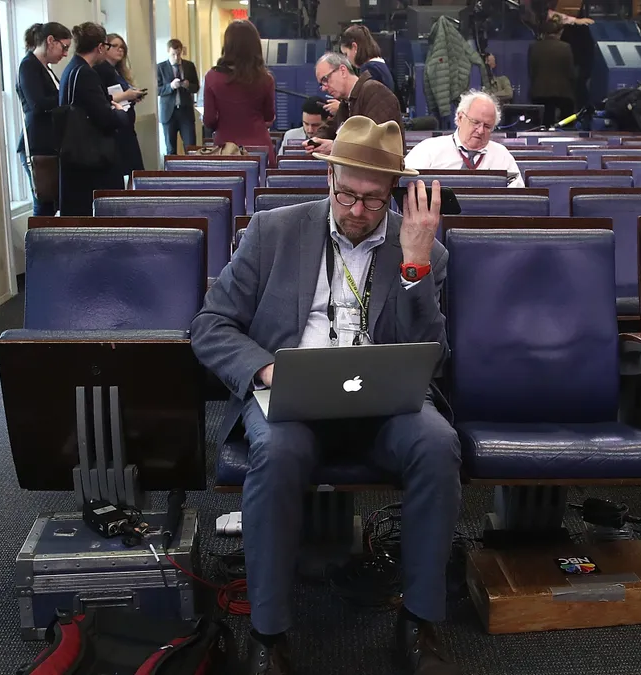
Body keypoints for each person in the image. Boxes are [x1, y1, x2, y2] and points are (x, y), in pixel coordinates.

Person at [190, 115, 462, 675]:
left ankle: (418, 623)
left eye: (372, 200)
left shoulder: (425, 254)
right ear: (329, 178)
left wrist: (412, 266)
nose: (357, 212)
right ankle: (269, 633)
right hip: (291, 396)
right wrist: (267, 371)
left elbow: (433, 357)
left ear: (394, 194)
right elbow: (211, 326)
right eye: (347, 196)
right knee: (279, 451)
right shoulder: (273, 232)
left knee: (437, 444)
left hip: (387, 405)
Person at [57, 22, 129, 216]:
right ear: (99, 47)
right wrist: (120, 112)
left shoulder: (71, 69)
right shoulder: (86, 73)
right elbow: (104, 117)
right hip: (90, 159)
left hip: (75, 155)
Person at [404, 90, 524, 187]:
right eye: (475, 122)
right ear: (460, 118)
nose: (481, 130)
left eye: (487, 126)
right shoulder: (429, 149)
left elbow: (518, 201)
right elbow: (403, 183)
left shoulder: (502, 156)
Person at [203, 20, 277, 166]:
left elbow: (209, 120)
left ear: (227, 45)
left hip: (226, 150)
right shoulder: (265, 79)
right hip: (259, 149)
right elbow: (269, 116)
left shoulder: (212, 77)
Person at [16, 22, 71, 216]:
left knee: (52, 200)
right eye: (64, 47)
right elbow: (37, 104)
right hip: (37, 145)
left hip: (50, 144)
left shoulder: (45, 68)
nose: (65, 54)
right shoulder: (28, 65)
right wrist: (67, 96)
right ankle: (39, 244)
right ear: (50, 41)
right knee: (44, 200)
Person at [311, 52, 402, 156]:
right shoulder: (346, 103)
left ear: (343, 71)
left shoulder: (375, 92)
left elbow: (376, 143)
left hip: (380, 170)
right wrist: (316, 141)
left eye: (325, 79)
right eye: (321, 84)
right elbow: (330, 128)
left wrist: (335, 147)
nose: (323, 88)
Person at [97, 33, 146, 183]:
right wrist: (127, 95)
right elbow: (105, 98)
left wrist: (134, 96)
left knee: (135, 169)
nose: (120, 50)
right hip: (116, 128)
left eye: (122, 47)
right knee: (125, 170)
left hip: (127, 125)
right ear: (104, 48)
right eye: (115, 46)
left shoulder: (118, 71)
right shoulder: (100, 70)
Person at [528, 17, 577, 127]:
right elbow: (571, 73)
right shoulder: (566, 47)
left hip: (539, 93)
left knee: (542, 124)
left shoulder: (534, 47)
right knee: (567, 123)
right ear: (560, 31)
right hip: (563, 93)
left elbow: (532, 71)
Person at [157, 38, 200, 155]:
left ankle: (192, 172)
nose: (176, 57)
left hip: (185, 111)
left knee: (191, 147)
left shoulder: (189, 66)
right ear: (168, 52)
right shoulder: (160, 67)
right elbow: (157, 89)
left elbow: (196, 87)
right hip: (168, 114)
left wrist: (188, 85)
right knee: (170, 150)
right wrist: (170, 86)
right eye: (173, 54)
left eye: (179, 54)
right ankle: (172, 173)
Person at [339, 25, 394, 93]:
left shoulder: (369, 69)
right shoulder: (380, 66)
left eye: (346, 54)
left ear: (354, 47)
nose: (346, 59)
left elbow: (367, 102)